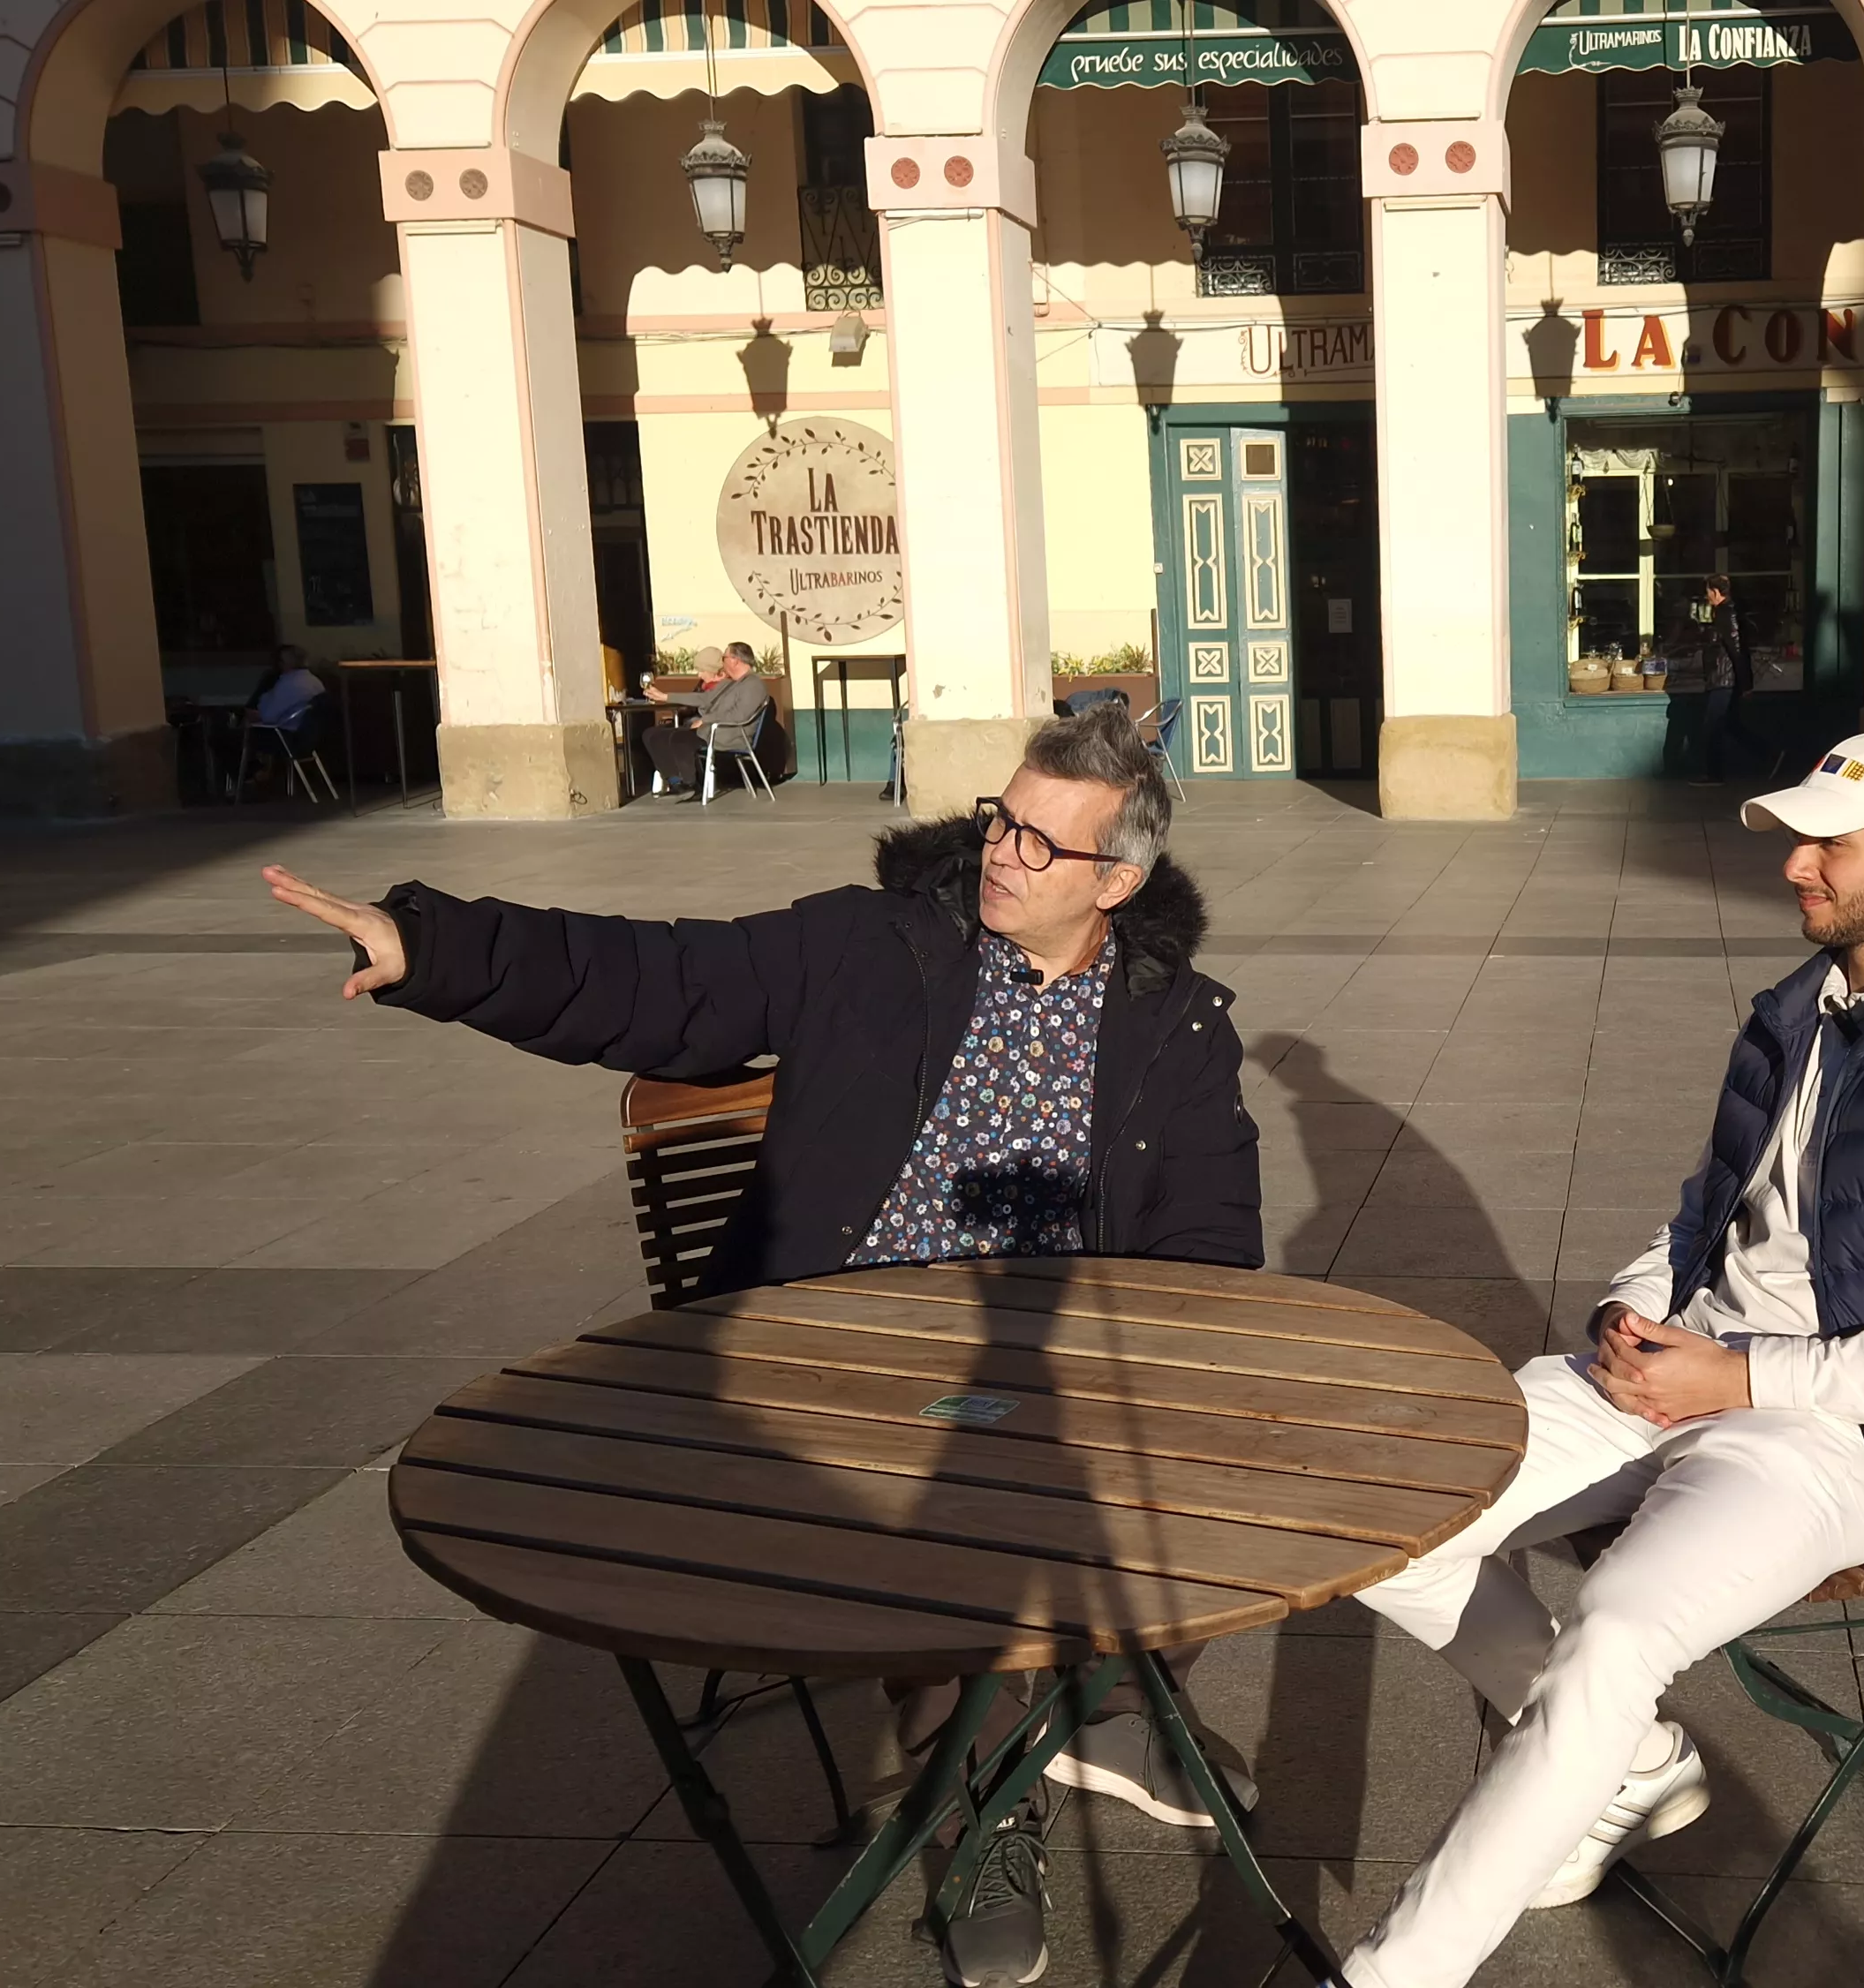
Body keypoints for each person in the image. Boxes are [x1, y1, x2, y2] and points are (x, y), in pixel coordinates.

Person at [260, 703, 1262, 1988]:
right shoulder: (872, 946)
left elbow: (1210, 1234)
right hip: (837, 1348)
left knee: (1195, 1438)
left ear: (1116, 881)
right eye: (1001, 820)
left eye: (1041, 844)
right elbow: (658, 980)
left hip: (1049, 1355)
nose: (1004, 852)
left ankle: (1102, 1701)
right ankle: (987, 1808)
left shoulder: (1172, 1020)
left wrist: (1179, 1366)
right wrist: (435, 946)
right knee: (959, 1497)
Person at [1335, 733, 1864, 1988]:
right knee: (1380, 1498)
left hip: (1846, 1431)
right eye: (1795, 839)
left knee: (1617, 1633)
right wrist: (1633, 1314)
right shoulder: (1798, 1012)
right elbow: (1705, 1216)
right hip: (1689, 1367)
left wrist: (1736, 1384)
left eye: (1829, 845)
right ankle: (1625, 1766)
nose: (1795, 866)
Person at [641, 644, 770, 797]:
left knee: (680, 739)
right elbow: (704, 698)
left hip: (731, 734)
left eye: (724, 657)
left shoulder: (753, 684)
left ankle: (690, 785)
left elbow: (738, 716)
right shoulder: (733, 683)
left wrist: (705, 720)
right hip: (716, 729)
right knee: (658, 736)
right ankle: (676, 782)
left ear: (735, 660)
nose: (722, 662)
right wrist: (665, 696)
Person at [1688, 576, 1766, 787]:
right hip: (1723, 678)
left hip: (1724, 679)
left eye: (1708, 591)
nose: (1706, 596)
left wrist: (1745, 683)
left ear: (1715, 592)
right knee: (1732, 725)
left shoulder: (1726, 612)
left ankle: (1714, 775)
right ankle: (1770, 757)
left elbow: (1736, 649)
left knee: (1712, 726)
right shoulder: (1725, 612)